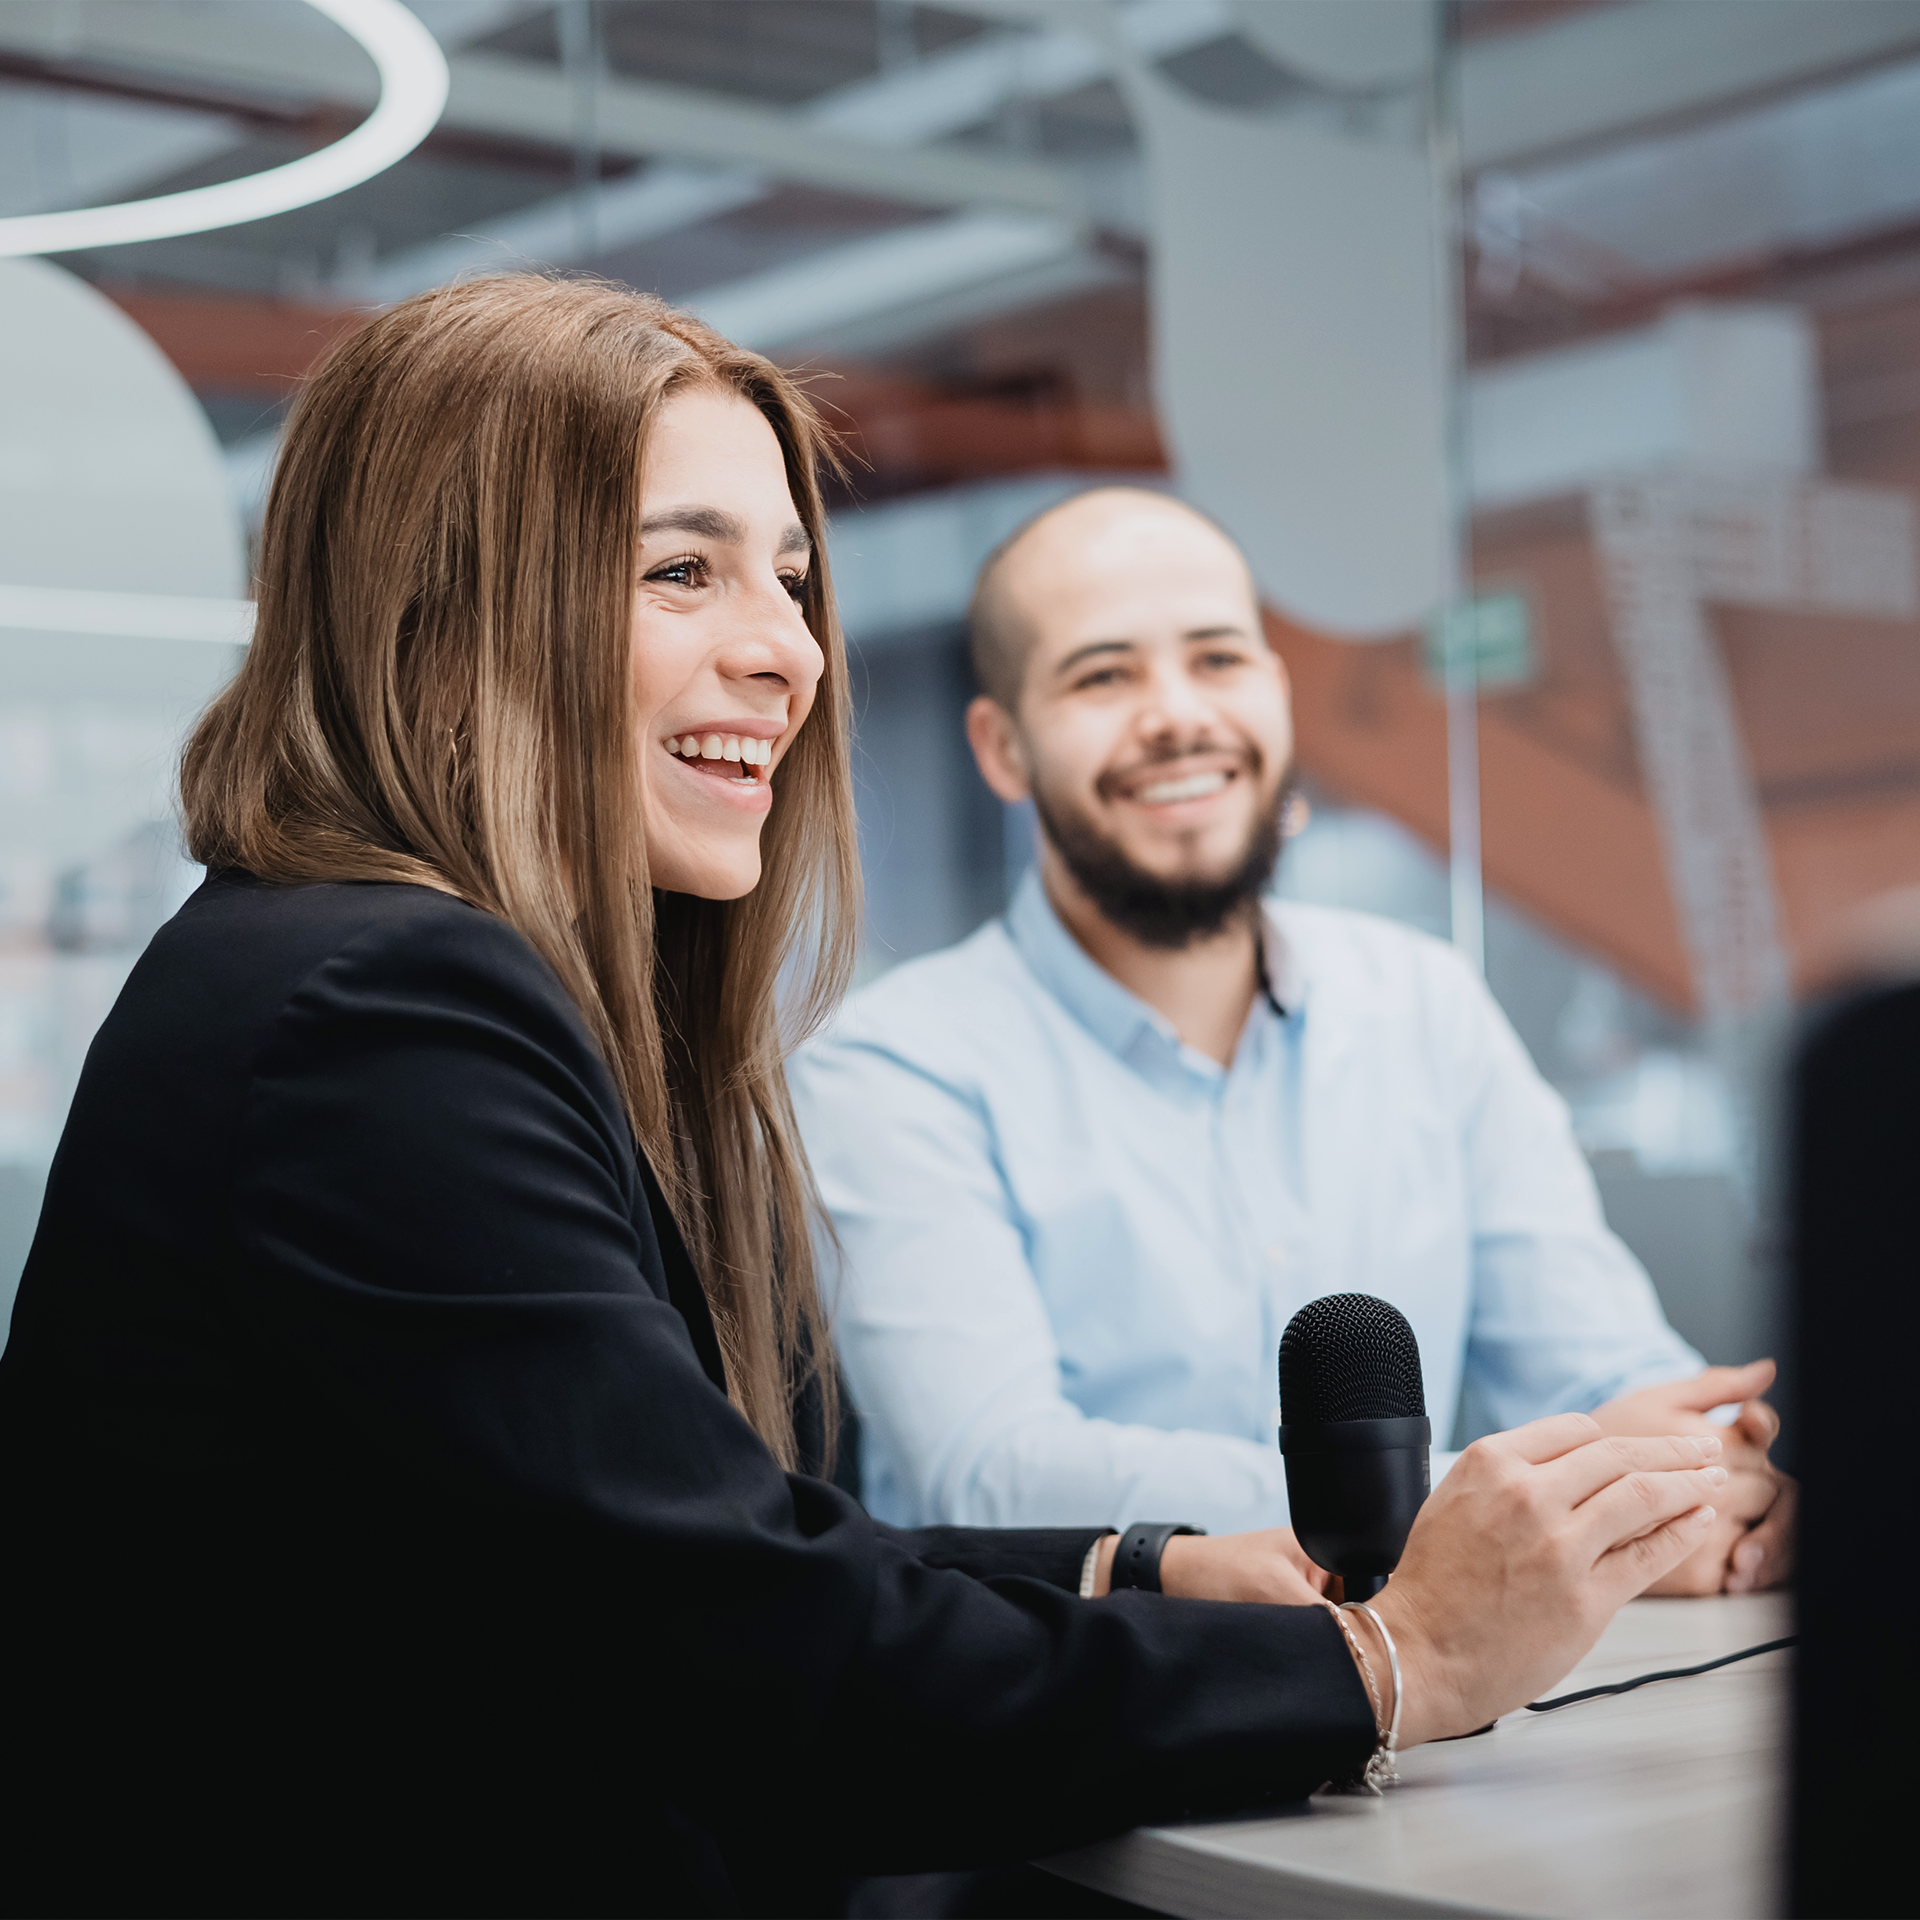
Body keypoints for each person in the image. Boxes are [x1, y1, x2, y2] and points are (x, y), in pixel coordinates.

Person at [0, 281, 1728, 1914]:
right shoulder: (380, 1014)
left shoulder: (351, 973)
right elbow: (759, 1656)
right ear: (442, 616)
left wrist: (1134, 1565)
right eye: (683, 572)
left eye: (791, 578)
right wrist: (1394, 1656)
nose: (792, 654)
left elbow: (692, 1555)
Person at [791, 486, 1794, 1599]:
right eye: (1103, 676)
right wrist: (1515, 1498)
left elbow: (1603, 1369)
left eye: (1218, 659)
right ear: (1003, 747)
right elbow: (993, 1476)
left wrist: (1712, 1474)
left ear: (1275, 690)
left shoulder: (1424, 1004)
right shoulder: (891, 1066)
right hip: (1097, 1693)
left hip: (1449, 1678)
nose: (1177, 714)